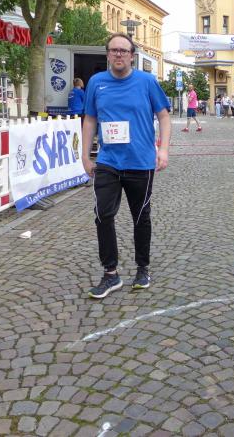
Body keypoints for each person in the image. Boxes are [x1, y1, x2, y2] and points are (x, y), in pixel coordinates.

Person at [81, 33, 171, 299]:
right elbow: (89, 120)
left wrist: (163, 149)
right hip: (108, 161)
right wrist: (85, 156)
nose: (118, 54)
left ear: (132, 56)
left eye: (123, 50)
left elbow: (164, 116)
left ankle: (143, 268)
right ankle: (111, 273)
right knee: (102, 214)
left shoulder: (147, 81)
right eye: (114, 50)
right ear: (107, 55)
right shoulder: (97, 82)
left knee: (140, 217)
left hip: (140, 161)